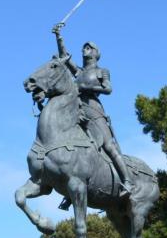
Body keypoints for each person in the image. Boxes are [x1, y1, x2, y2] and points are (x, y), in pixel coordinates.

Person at [53, 23, 132, 196]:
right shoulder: (79, 72)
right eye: (84, 48)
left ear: (96, 53)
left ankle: (127, 181)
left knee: (110, 146)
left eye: (89, 48)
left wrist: (88, 87)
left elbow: (108, 89)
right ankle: (73, 182)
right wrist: (59, 37)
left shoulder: (102, 71)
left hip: (95, 111)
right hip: (78, 110)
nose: (85, 50)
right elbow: (64, 56)